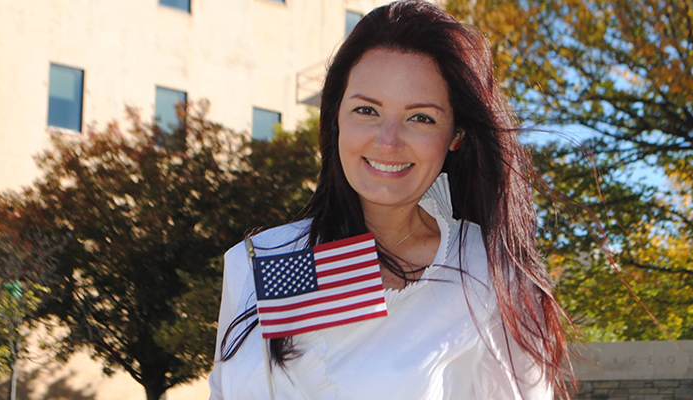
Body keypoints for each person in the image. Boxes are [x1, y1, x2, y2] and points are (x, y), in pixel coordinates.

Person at [207, 1, 573, 399]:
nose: (388, 141)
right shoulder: (263, 258)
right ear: (336, 118)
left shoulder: (487, 271)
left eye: (421, 118)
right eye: (366, 110)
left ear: (456, 135)